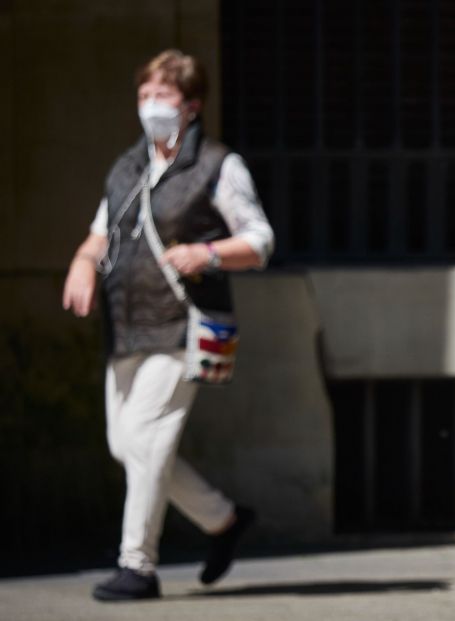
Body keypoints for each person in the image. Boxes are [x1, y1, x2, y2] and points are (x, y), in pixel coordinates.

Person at [62, 49, 274, 602]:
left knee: (148, 437)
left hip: (183, 323)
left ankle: (138, 565)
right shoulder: (127, 168)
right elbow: (99, 235)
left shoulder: (218, 165)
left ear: (193, 106)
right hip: (126, 325)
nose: (152, 107)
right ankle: (224, 521)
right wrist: (83, 264)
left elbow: (259, 241)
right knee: (125, 443)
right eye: (145, 97)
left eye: (165, 98)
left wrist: (206, 253)